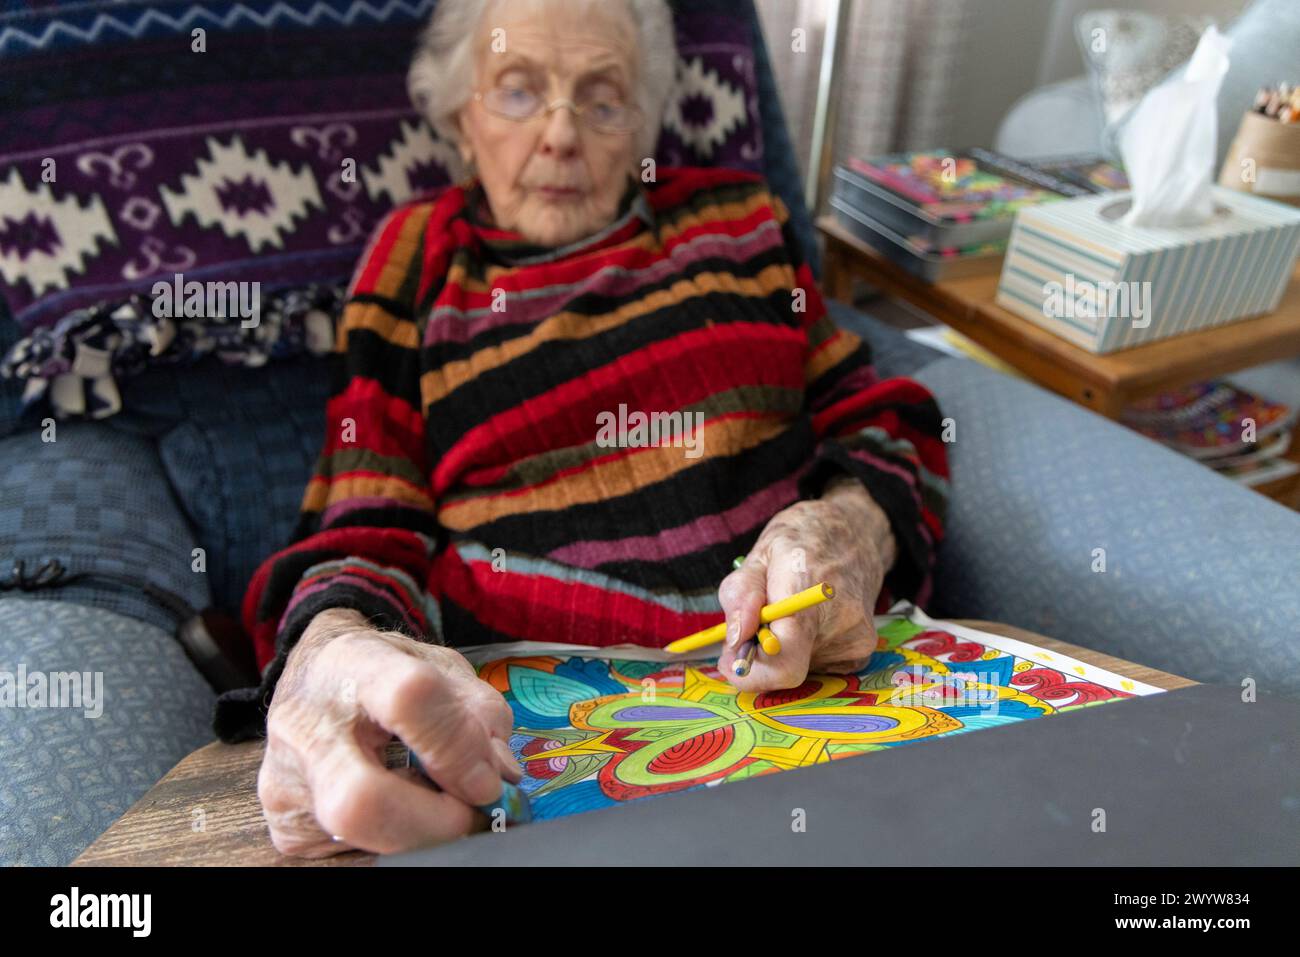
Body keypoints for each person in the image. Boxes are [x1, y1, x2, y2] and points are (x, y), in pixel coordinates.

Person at [214, 0, 950, 857]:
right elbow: (367, 522)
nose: (561, 136)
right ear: (462, 114)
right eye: (519, 92)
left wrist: (848, 531)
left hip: (823, 704)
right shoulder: (417, 258)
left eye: (602, 102)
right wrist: (333, 648)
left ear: (643, 120)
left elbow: (877, 420)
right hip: (553, 743)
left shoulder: (742, 222)